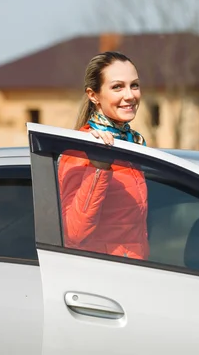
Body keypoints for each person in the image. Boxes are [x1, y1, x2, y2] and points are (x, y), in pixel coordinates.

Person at [57, 51, 149, 260]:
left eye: (134, 85)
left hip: (136, 272)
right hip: (104, 274)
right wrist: (99, 168)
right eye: (117, 87)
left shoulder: (132, 143)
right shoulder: (83, 148)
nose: (130, 95)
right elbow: (73, 234)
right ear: (93, 95)